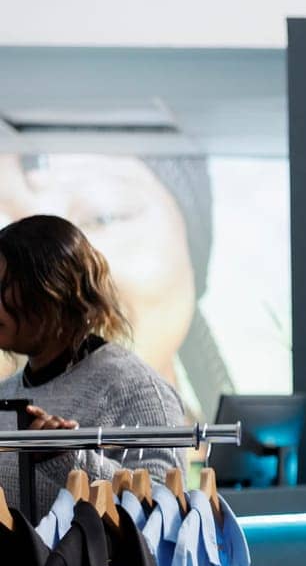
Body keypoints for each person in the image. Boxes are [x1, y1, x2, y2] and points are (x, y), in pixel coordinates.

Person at [0, 153, 234, 419]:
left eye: (104, 217)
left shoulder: (140, 393)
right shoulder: (8, 396)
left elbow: (158, 464)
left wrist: (65, 456)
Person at [0, 214, 186, 514]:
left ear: (52, 288)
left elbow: (163, 509)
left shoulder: (139, 391)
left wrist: (70, 461)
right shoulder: (6, 393)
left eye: (4, 286)